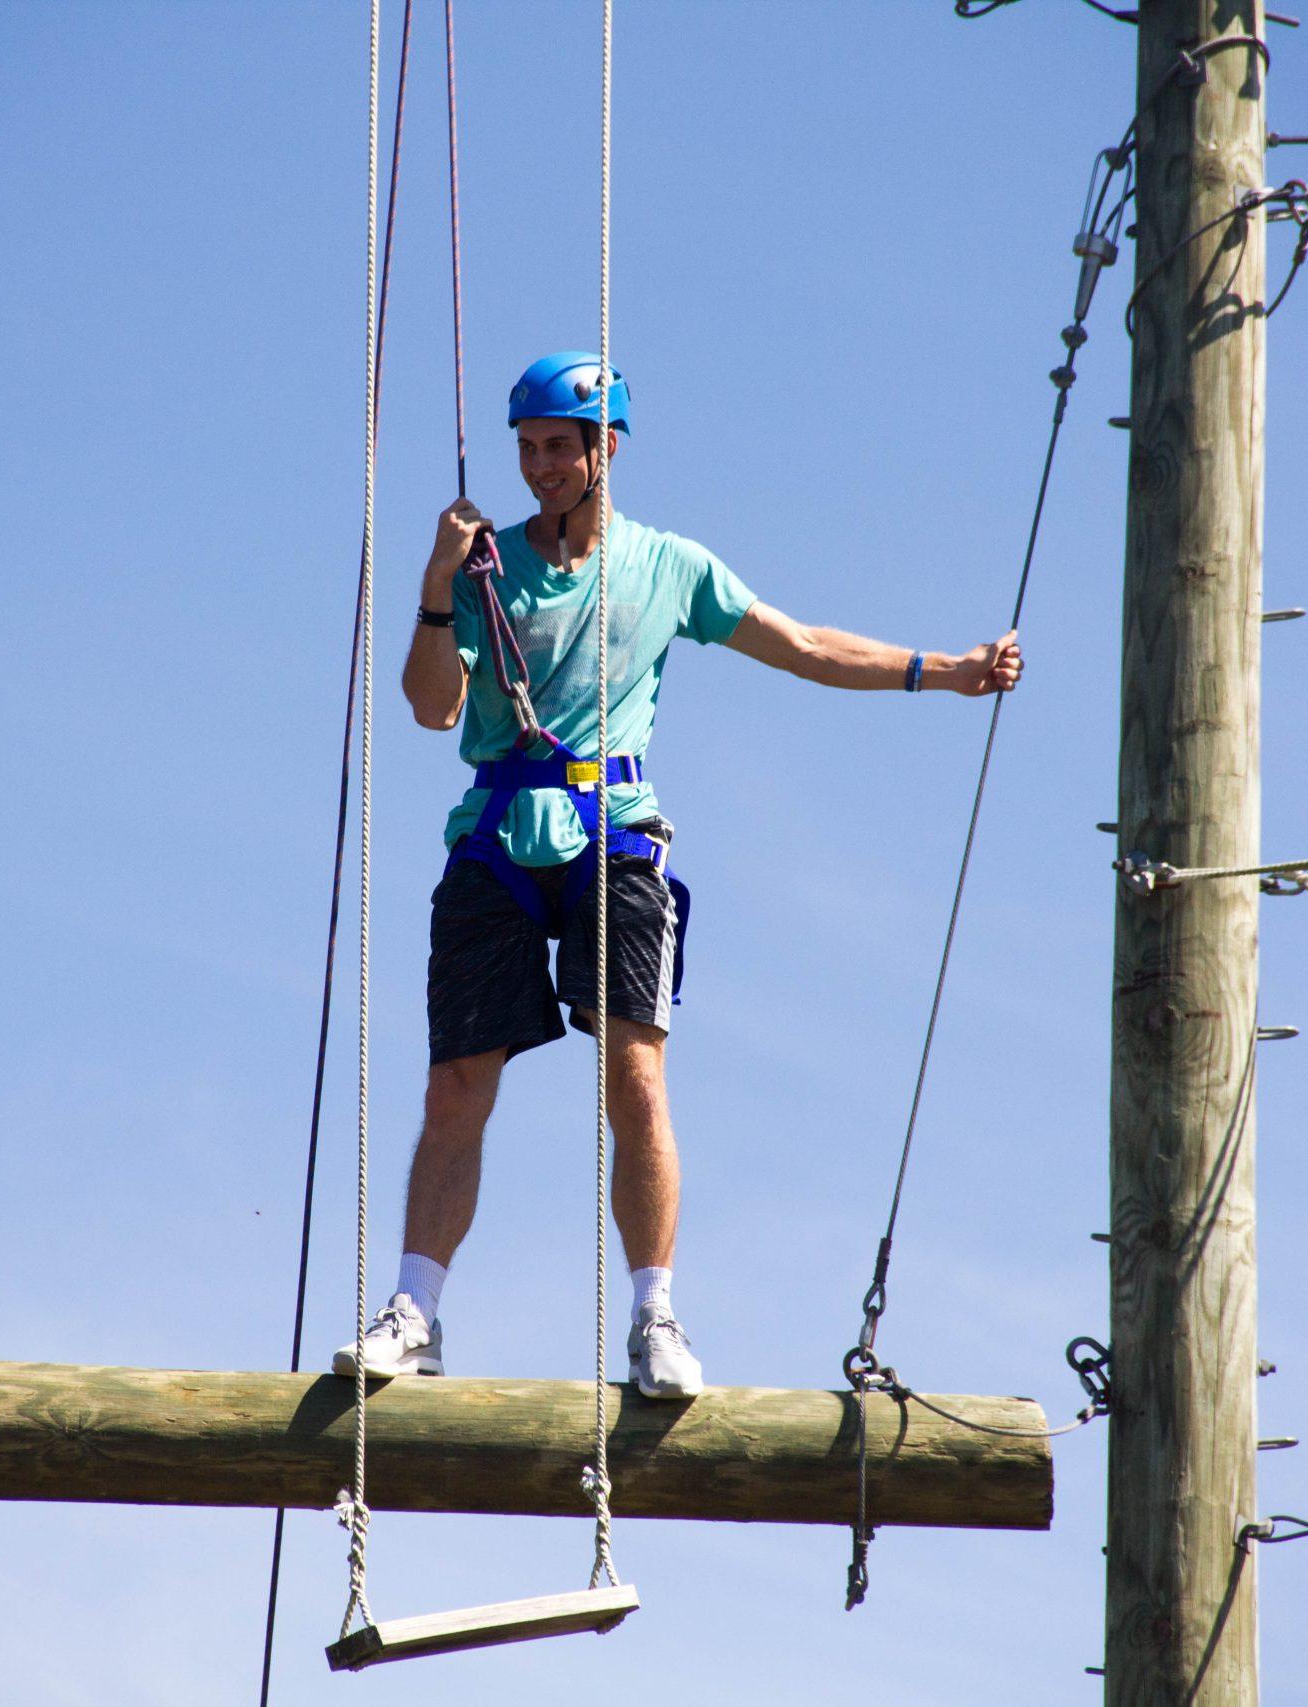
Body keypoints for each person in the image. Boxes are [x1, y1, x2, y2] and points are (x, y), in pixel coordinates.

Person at [335, 351, 1022, 1399]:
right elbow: (432, 708)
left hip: (615, 834)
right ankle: (415, 1311)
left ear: (605, 448)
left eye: (558, 447)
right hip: (495, 837)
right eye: (526, 448)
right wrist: (434, 591)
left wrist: (942, 671)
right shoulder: (483, 569)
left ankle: (655, 1316)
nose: (539, 467)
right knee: (454, 1088)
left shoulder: (669, 566)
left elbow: (805, 646)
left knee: (636, 1076)